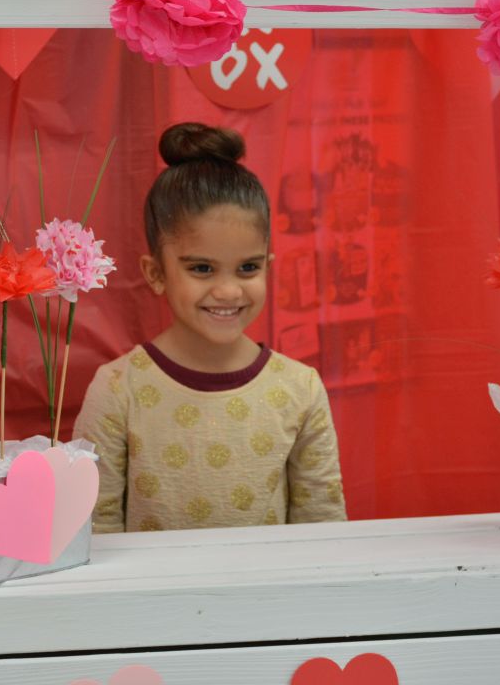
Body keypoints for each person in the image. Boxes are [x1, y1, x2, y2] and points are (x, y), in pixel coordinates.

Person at [73, 122, 347, 533]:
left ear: (268, 267)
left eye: (248, 267)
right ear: (156, 273)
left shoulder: (301, 389)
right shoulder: (116, 390)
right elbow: (95, 532)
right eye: (201, 268)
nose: (228, 290)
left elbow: (323, 531)